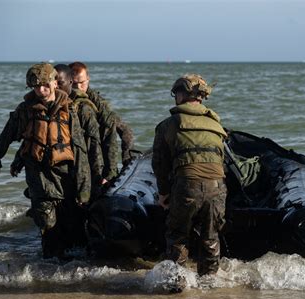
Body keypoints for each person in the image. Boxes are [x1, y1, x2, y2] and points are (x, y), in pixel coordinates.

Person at [0, 63, 92, 259]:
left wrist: (84, 189)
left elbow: (80, 151)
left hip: (65, 175)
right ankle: (47, 269)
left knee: (72, 227)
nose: (41, 91)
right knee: (47, 223)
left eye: (45, 85)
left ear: (54, 82)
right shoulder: (26, 110)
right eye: (36, 87)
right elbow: (7, 135)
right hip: (38, 174)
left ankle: (70, 275)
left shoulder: (70, 109)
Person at [152, 74, 227, 276]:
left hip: (187, 186)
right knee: (211, 237)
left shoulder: (168, 125)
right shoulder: (216, 124)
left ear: (181, 95)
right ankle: (209, 282)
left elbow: (159, 163)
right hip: (218, 186)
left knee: (177, 236)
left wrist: (163, 193)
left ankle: (176, 282)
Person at [69, 62, 137, 173]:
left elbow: (125, 130)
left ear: (88, 79)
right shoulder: (61, 99)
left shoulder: (98, 104)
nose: (78, 88)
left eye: (82, 83)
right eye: (74, 84)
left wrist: (128, 161)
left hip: (96, 158)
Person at [54, 64, 104, 199]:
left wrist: (104, 176)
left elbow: (94, 145)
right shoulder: (48, 105)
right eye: (54, 83)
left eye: (81, 83)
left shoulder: (84, 107)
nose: (78, 87)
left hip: (82, 169)